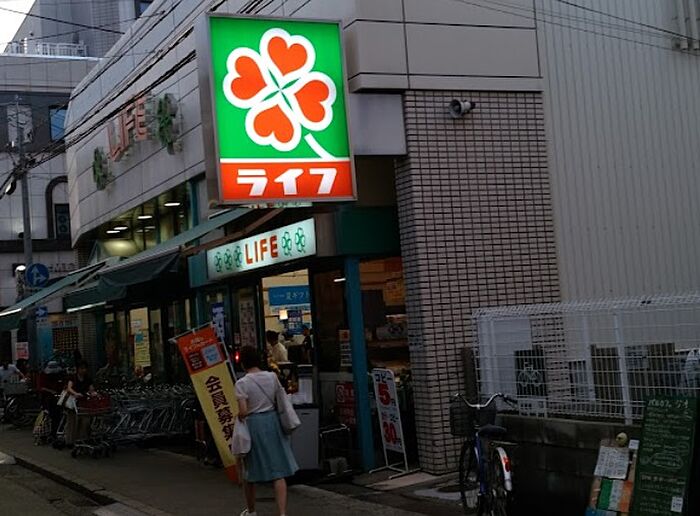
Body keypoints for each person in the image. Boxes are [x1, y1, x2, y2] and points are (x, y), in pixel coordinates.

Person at [235, 346, 298, 516]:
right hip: (272, 422)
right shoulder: (272, 377)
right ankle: (282, 513)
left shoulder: (242, 383)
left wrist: (238, 416)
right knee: (278, 471)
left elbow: (243, 411)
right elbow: (280, 399)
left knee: (250, 472)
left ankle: (251, 511)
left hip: (254, 426)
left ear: (243, 363)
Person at [63, 360, 95, 447]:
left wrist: (93, 393)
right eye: (81, 368)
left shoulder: (88, 379)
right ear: (77, 369)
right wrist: (75, 393)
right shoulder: (73, 378)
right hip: (73, 403)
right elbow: (69, 388)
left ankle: (82, 439)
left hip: (84, 403)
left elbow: (91, 389)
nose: (83, 370)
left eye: (85, 368)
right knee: (72, 422)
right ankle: (70, 441)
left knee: (85, 421)